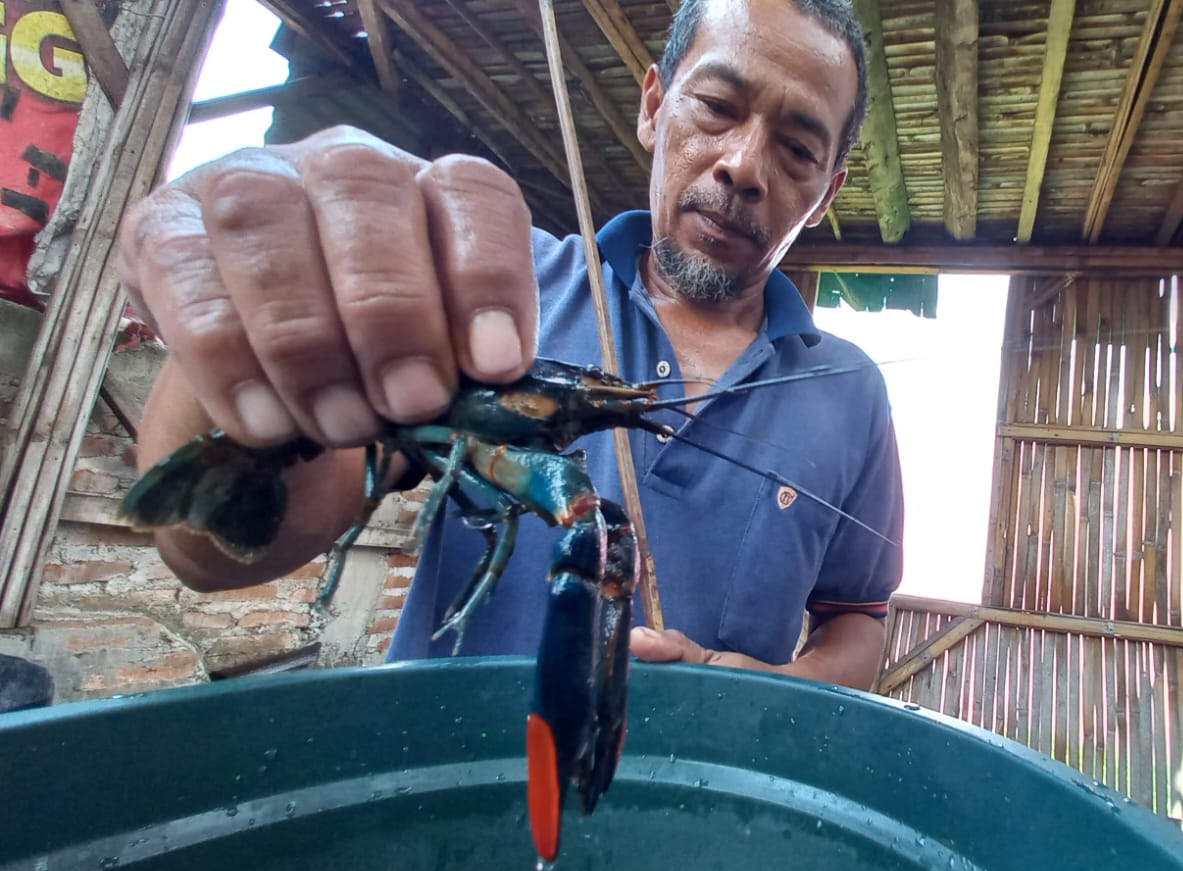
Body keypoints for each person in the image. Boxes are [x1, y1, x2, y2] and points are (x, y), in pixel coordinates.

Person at [117, 0, 903, 691]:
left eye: (798, 149)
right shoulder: (494, 286)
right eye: (718, 106)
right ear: (655, 106)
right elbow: (209, 557)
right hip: (440, 795)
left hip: (703, 807)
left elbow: (856, 619)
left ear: (827, 189)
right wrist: (255, 313)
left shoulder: (851, 387)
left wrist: (771, 693)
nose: (742, 166)